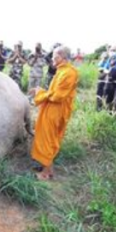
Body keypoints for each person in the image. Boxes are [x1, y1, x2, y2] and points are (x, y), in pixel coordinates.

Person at [30, 46, 79, 180]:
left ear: (62, 57)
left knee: (48, 139)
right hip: (51, 108)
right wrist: (42, 91)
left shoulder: (68, 73)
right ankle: (47, 167)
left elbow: (57, 97)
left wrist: (40, 93)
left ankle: (46, 173)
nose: (52, 59)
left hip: (56, 110)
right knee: (45, 136)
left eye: (54, 57)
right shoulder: (61, 70)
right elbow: (53, 92)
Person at [95, 45, 116, 111]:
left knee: (108, 95)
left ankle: (109, 110)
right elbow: (100, 67)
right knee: (99, 94)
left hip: (110, 80)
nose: (112, 52)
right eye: (111, 50)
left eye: (114, 50)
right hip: (102, 78)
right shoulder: (105, 56)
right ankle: (99, 108)